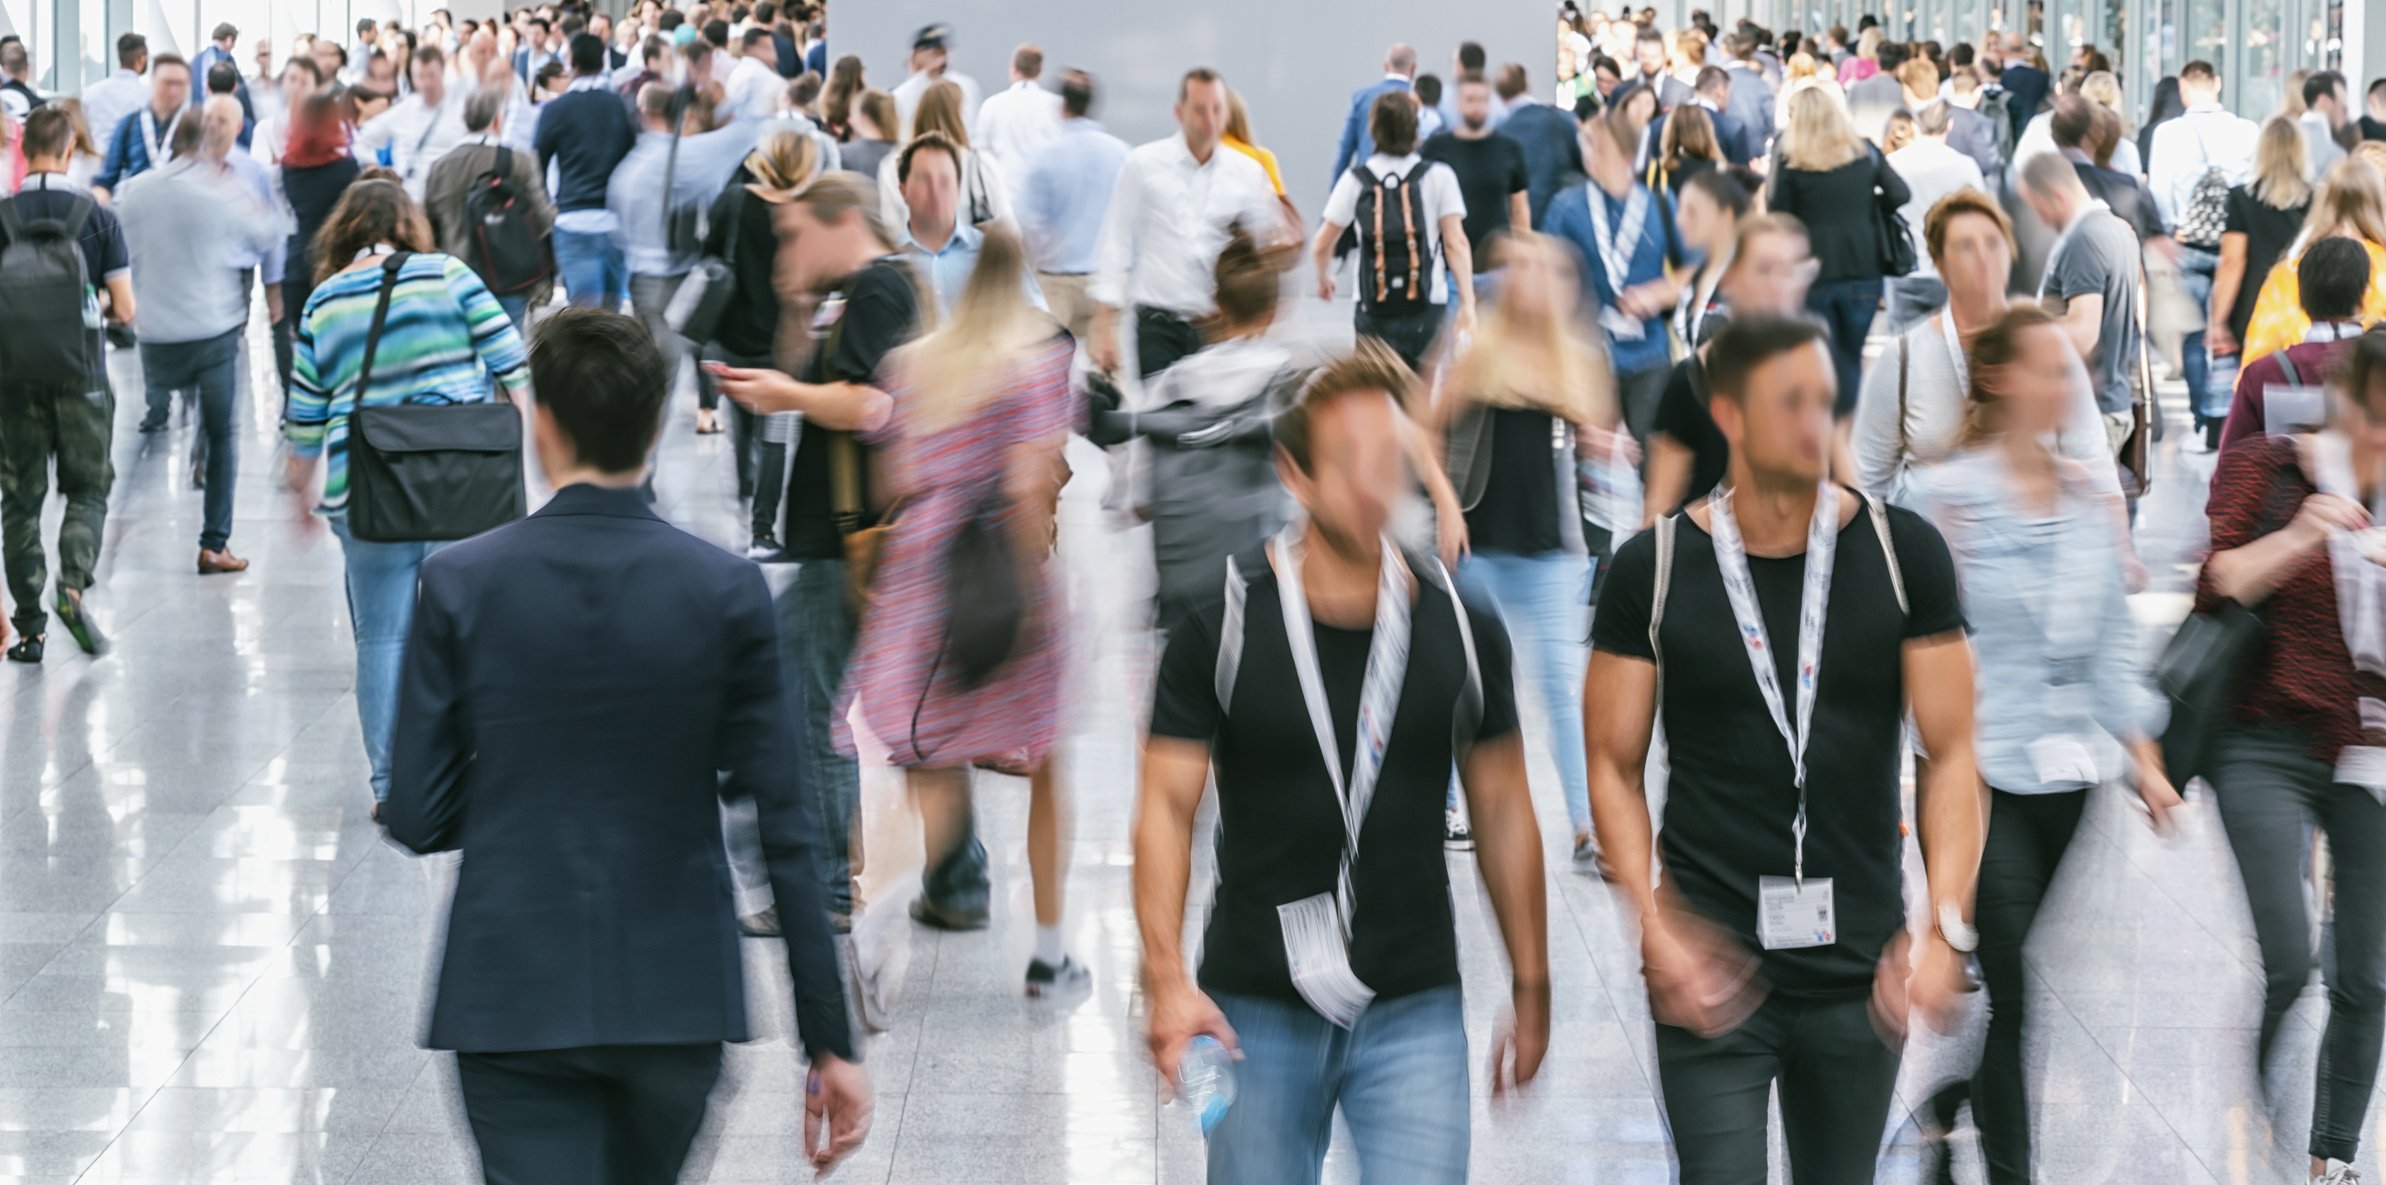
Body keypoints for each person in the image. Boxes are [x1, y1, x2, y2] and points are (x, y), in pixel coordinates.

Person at [379, 308, 872, 1184]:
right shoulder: (724, 590)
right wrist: (829, 1039)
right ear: (655, 425)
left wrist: (511, 796)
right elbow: (787, 828)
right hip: (673, 991)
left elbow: (417, 812)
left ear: (544, 422)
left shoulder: (459, 583)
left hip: (510, 989)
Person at [1134, 337, 1549, 1185]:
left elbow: (1504, 807)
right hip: (1251, 1005)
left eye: (1390, 459)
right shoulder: (1223, 623)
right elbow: (1165, 808)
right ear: (1296, 475)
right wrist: (1167, 978)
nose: (1375, 484)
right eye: (1349, 461)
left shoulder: (1460, 628)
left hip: (1413, 999)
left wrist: (1533, 979)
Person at [1586, 312, 1980, 1185]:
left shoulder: (1900, 552)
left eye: (1821, 400)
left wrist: (1947, 925)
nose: (1815, 422)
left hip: (1858, 972)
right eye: (1788, 401)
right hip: (1712, 969)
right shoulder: (1651, 569)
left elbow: (1950, 754)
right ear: (1727, 413)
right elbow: (1611, 766)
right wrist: (1657, 927)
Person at [1903, 304, 2178, 1185]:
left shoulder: (2084, 497)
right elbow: (1914, 646)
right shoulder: (1944, 497)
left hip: (2069, 780)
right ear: (1997, 379)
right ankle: (2012, 1169)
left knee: (2016, 988)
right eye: (2050, 370)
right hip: (1976, 775)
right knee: (2014, 982)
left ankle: (1953, 1108)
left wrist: (2147, 763)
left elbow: (2105, 640)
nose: (2068, 387)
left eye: (2073, 372)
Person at [834, 221, 1083, 990]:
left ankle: (882, 914)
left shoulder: (909, 365)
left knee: (928, 757)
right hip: (999, 583)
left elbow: (889, 483)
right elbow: (1025, 483)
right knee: (1045, 763)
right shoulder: (1034, 366)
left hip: (921, 574)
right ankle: (1048, 949)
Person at [708, 174, 925, 938]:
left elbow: (873, 405)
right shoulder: (847, 293)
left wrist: (786, 395)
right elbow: (820, 378)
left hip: (851, 540)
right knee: (806, 706)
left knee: (811, 715)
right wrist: (796, 303)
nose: (786, 247)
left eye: (797, 233)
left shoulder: (880, 292)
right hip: (829, 538)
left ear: (842, 222)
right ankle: (845, 878)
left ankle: (830, 888)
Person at [2197, 325, 2386, 1185]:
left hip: (2369, 748)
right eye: (2371, 420)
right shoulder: (2268, 465)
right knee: (2290, 951)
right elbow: (2220, 580)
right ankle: (2266, 1116)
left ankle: (2329, 1157)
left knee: (2367, 973)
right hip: (2263, 734)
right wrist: (2307, 530)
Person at [284, 178, 529, 809]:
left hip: (365, 488)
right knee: (471, 626)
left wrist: (300, 492)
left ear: (342, 232)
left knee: (384, 637)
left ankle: (393, 786)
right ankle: (482, 765)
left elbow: (305, 418)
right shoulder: (447, 276)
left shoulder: (324, 301)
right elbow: (515, 366)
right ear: (409, 225)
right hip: (462, 477)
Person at [1430, 232, 1614, 867]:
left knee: (1563, 687)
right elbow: (1429, 434)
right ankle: (1451, 808)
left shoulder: (1577, 357)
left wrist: (1603, 447)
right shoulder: (1479, 353)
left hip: (1552, 551)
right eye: (1523, 271)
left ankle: (1588, 826)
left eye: (1547, 273)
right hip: (1482, 547)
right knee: (1465, 683)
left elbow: (1597, 432)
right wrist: (1447, 510)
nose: (1534, 284)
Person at [1855, 188, 2129, 515]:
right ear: (1940, 264)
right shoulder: (1903, 358)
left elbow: (2093, 461)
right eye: (1965, 247)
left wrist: (2120, 551)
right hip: (1934, 551)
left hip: (2032, 544)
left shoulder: (2046, 346)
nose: (1983, 258)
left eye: (1993, 243)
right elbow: (1869, 479)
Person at [1088, 226, 1296, 632]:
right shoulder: (1291, 389)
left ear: (1216, 305)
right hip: (1264, 599)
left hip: (1184, 605)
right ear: (1275, 310)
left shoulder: (1169, 387)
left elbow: (1130, 503)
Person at [116, 108, 281, 576]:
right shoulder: (216, 191)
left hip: (156, 334)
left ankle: (119, 516)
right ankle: (214, 544)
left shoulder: (137, 191)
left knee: (154, 429)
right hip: (211, 332)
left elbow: (116, 242)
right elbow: (267, 232)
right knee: (222, 436)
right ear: (207, 145)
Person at [0, 105, 133, 664]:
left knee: (19, 501)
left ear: (23, 150)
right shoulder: (97, 215)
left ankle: (29, 629)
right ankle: (72, 588)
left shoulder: (2, 216)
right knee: (88, 488)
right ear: (71, 149)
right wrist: (89, 304)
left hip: (12, 381)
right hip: (83, 379)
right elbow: (126, 309)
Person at [1088, 67, 1280, 379]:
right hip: (1157, 324)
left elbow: (1263, 250)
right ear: (1180, 112)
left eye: (1217, 110)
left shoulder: (1247, 172)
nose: (1210, 120)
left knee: (1217, 426)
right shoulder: (1144, 164)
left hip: (1220, 329)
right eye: (1200, 110)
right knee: (1161, 422)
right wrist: (1104, 326)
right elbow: (1115, 238)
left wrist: (1260, 323)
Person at [1644, 210, 1815, 521]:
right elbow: (1659, 504)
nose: (1778, 284)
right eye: (1764, 269)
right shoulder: (1693, 377)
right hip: (1707, 554)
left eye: (1790, 271)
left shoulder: (1819, 375)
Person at [609, 81, 758, 436]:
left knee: (652, 371)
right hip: (672, 281)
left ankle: (637, 461)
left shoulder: (633, 162)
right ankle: (640, 465)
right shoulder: (682, 159)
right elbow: (747, 130)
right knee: (664, 377)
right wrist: (725, 106)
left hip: (639, 281)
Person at [1767, 85, 1910, 420]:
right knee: (1850, 355)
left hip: (1811, 272)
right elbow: (1900, 193)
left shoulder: (1790, 158)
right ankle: (1845, 434)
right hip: (1862, 267)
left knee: (1816, 355)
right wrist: (1868, 204)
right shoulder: (1863, 152)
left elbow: (1778, 213)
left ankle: (1819, 429)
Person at [1311, 91, 1473, 371]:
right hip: (1427, 304)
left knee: (1377, 400)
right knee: (1419, 402)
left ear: (1373, 130)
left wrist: (1323, 278)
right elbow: (1455, 242)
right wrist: (1468, 304)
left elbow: (1322, 244)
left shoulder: (1356, 180)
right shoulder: (1439, 176)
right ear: (1415, 130)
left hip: (1373, 306)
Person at [2017, 152, 2142, 461]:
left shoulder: (2083, 240)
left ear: (2056, 194)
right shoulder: (2118, 229)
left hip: (2086, 416)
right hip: (2105, 405)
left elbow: (2083, 332)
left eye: (2037, 207)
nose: (2040, 219)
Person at [2211, 116, 2318, 445]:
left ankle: (2255, 453)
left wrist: (2217, 319)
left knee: (2254, 385)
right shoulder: (2317, 199)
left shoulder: (2241, 199)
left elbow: (2232, 262)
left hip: (2251, 308)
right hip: (2304, 307)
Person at [2217, 236, 2372, 452]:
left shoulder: (2264, 373)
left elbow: (2229, 466)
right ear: (2363, 296)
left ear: (2302, 299)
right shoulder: (2375, 365)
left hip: (2284, 485)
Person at [424, 87, 554, 326]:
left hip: (455, 277)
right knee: (510, 353)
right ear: (497, 119)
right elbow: (544, 220)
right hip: (509, 276)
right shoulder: (519, 161)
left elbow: (429, 230)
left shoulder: (439, 168)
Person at [1018, 68, 1128, 345]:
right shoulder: (1122, 154)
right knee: (1110, 373)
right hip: (1107, 283)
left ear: (1062, 104)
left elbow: (1029, 223)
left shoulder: (1046, 158)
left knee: (1051, 374)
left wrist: (1049, 257)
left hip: (1058, 284)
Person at [2244, 159, 2386, 363]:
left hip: (2295, 380)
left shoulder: (2290, 270)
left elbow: (2259, 350)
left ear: (2325, 200)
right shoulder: (2381, 266)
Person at [535, 33, 638, 312]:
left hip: (574, 219)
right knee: (612, 314)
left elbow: (538, 164)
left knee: (584, 319)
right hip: (616, 219)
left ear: (572, 63)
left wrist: (548, 207)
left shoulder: (556, 110)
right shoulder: (620, 105)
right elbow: (634, 154)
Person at [894, 132, 1044, 313]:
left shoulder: (991, 253)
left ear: (958, 189)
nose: (935, 192)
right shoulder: (889, 262)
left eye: (945, 181)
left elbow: (1039, 317)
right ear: (903, 191)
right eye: (924, 180)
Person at [277, 93, 359, 389]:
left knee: (308, 349)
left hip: (297, 267)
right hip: (336, 265)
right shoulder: (347, 169)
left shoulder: (288, 168)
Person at [1884, 101, 1986, 333]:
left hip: (1905, 270)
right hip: (1952, 271)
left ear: (1915, 126)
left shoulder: (1894, 164)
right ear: (1949, 125)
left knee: (1902, 353)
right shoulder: (1965, 166)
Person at [1423, 70, 1530, 292]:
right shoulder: (1435, 149)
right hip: (1448, 270)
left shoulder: (1509, 149)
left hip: (1498, 270)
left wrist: (1523, 259)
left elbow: (1519, 208)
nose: (1477, 107)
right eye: (1470, 99)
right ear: (1457, 103)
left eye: (1483, 99)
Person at [876, 78, 1009, 232]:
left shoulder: (894, 166)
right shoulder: (980, 164)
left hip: (915, 253)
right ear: (960, 117)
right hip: (973, 254)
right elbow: (1008, 227)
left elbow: (891, 228)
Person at [354, 46, 466, 199]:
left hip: (448, 200)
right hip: (411, 200)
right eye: (420, 76)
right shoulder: (404, 110)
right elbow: (363, 140)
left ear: (442, 72)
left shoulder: (460, 110)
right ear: (412, 78)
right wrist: (375, 167)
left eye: (431, 76)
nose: (427, 83)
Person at [1668, 166, 1750, 353]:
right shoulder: (1699, 273)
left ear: (1726, 216)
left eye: (1692, 211)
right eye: (1680, 209)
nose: (1679, 220)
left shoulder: (1747, 280)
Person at [91, 52, 189, 202]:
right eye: (168, 83)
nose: (173, 91)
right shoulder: (129, 125)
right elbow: (107, 179)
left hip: (184, 208)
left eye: (180, 84)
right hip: (137, 209)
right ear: (153, 81)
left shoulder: (196, 127)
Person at [1496, 63, 1585, 227]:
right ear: (1527, 84)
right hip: (1561, 220)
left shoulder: (1499, 133)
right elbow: (1585, 162)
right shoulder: (1560, 119)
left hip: (1520, 225)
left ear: (1499, 94)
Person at [973, 43, 1060, 188]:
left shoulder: (992, 105)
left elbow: (980, 153)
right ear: (1040, 70)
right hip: (1042, 194)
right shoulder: (1056, 107)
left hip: (1003, 194)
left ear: (1014, 68)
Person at [1329, 42, 1417, 184]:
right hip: (1409, 186)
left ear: (1386, 66)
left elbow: (1345, 148)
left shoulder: (1361, 98)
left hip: (1368, 185)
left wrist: (1335, 189)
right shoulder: (1417, 100)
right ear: (1413, 68)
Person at [890, 23, 979, 140]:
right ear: (918, 55)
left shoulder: (966, 86)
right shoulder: (902, 94)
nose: (943, 59)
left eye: (945, 52)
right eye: (936, 53)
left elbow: (972, 130)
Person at [80, 34, 150, 159]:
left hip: (96, 164)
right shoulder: (147, 95)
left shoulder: (91, 92)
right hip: (131, 168)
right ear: (141, 58)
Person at [2301, 70, 2354, 183]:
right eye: (2343, 108)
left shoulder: (2285, 135)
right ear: (2323, 100)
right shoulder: (2335, 155)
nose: (2346, 118)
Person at [839, 87, 897, 180]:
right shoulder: (905, 153)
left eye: (853, 115)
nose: (849, 120)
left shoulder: (844, 154)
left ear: (864, 117)